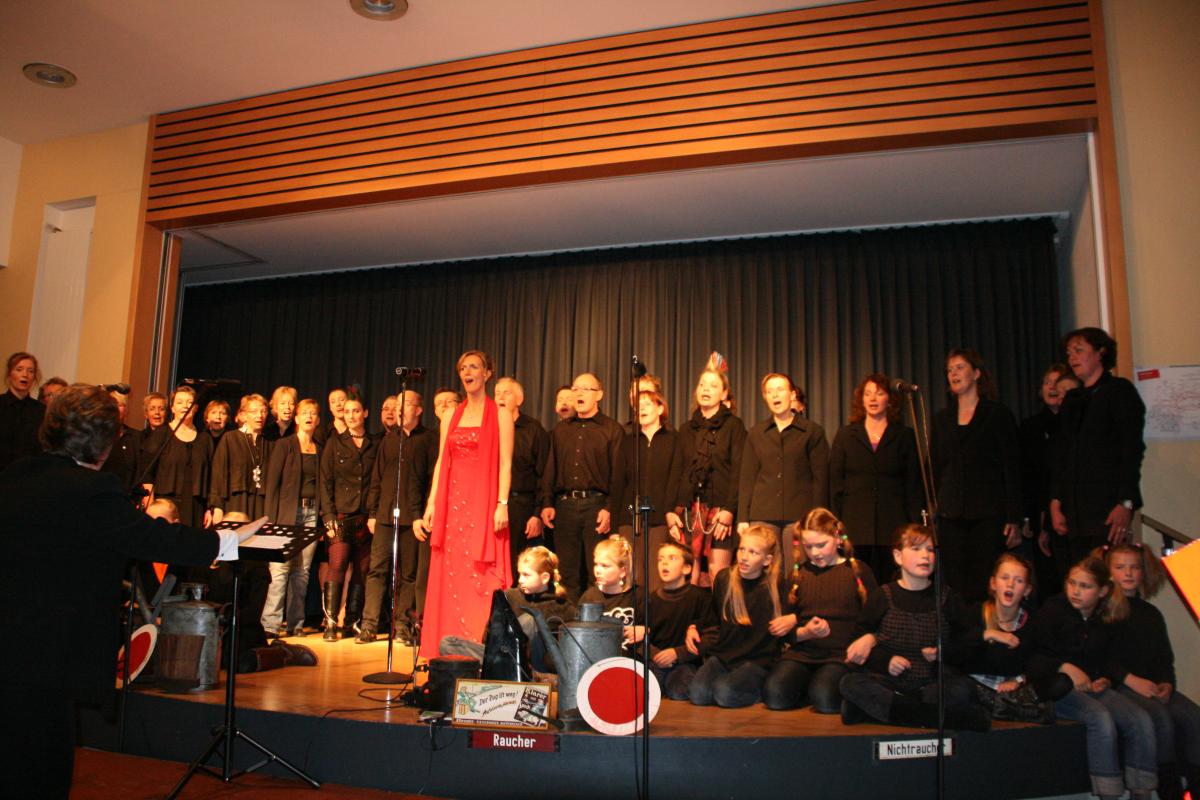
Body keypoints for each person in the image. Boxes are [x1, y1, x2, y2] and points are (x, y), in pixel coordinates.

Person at [0, 384, 262, 798]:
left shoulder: (15, 475)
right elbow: (155, 538)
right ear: (105, 443)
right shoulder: (92, 491)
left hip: (10, 643)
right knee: (42, 765)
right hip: (50, 653)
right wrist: (226, 540)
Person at [1025, 556, 1157, 800]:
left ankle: (1142, 790)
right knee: (1100, 718)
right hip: (1057, 689)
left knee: (1140, 719)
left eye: (1085, 586)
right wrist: (1064, 667)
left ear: (1102, 591)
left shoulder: (1104, 618)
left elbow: (1106, 659)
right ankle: (1109, 792)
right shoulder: (1052, 611)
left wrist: (1105, 679)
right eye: (1072, 583)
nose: (1075, 591)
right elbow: (1031, 658)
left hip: (1093, 687)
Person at [839, 523, 988, 730]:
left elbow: (967, 643)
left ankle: (890, 711)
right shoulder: (882, 596)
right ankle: (938, 717)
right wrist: (886, 661)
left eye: (930, 550)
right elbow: (856, 646)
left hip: (931, 684)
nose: (925, 556)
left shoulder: (947, 597)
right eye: (916, 549)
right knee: (850, 682)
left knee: (963, 688)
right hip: (890, 682)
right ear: (898, 556)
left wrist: (942, 652)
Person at [413, 350, 514, 653]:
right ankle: (447, 645)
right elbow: (442, 460)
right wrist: (432, 504)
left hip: (484, 504)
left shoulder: (501, 414)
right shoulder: (450, 415)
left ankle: (478, 645)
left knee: (480, 576)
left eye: (474, 367)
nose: (468, 372)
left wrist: (502, 503)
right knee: (452, 575)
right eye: (463, 368)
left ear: (487, 373)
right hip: (453, 505)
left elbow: (506, 463)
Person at [1105, 544, 1200, 799]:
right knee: (1160, 719)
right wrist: (1131, 680)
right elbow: (1102, 658)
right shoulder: (1105, 612)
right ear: (1109, 572)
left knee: (1194, 718)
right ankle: (1169, 788)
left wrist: (1167, 683)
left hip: (1155, 685)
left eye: (1134, 567)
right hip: (1123, 685)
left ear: (1143, 572)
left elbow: (1164, 658)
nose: (1128, 573)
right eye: (1120, 567)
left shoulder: (1151, 613)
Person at [763, 508, 878, 713]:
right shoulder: (798, 576)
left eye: (821, 545)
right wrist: (806, 632)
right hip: (804, 653)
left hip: (841, 655)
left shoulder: (858, 571)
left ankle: (822, 688)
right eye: (808, 547)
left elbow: (877, 618)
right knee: (774, 694)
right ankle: (810, 687)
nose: (815, 553)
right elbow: (787, 632)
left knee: (825, 698)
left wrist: (869, 639)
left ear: (838, 538)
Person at [930, 349, 1021, 603]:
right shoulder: (941, 419)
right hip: (951, 514)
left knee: (985, 578)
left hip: (988, 513)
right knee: (954, 581)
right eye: (950, 370)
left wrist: (1014, 516)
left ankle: (985, 625)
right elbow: (935, 466)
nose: (953, 374)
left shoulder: (997, 414)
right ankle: (958, 627)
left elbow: (1012, 467)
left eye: (959, 367)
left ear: (977, 373)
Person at [1051, 327, 1147, 567]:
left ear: (1100, 352)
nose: (1072, 358)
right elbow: (1062, 456)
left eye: (1079, 350)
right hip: (1075, 510)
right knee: (1080, 575)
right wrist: (1056, 500)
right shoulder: (1072, 399)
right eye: (1069, 353)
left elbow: (1131, 450)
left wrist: (1125, 502)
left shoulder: (1119, 391)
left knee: (1107, 573)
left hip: (1107, 506)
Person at [538, 373, 624, 600]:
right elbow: (551, 468)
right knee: (567, 573)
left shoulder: (612, 429)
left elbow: (618, 476)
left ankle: (594, 619)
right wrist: (547, 502)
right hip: (565, 506)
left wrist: (609, 508)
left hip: (596, 506)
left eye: (586, 389)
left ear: (599, 395)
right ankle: (569, 619)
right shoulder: (561, 430)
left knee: (597, 570)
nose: (579, 393)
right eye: (576, 389)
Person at [829, 374, 923, 581]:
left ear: (889, 400)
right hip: (855, 524)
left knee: (890, 582)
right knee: (856, 582)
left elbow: (913, 484)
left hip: (893, 523)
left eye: (879, 393)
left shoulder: (904, 435)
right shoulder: (846, 435)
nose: (872, 398)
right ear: (861, 400)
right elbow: (835, 483)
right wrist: (836, 521)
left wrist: (914, 523)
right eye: (868, 394)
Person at [359, 389, 434, 643]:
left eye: (407, 404)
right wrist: (372, 512)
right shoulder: (390, 440)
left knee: (409, 574)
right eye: (398, 404)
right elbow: (377, 478)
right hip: (384, 515)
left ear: (419, 410)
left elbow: (430, 481)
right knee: (377, 570)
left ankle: (402, 624)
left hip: (412, 519)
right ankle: (369, 625)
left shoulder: (428, 440)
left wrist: (423, 513)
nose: (400, 409)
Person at [685, 523, 787, 708]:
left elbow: (788, 620)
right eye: (741, 549)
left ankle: (758, 689)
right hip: (725, 655)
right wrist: (694, 627)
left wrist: (792, 620)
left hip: (757, 660)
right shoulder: (724, 578)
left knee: (725, 693)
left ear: (767, 560)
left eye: (753, 552)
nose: (744, 557)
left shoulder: (775, 585)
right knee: (698, 693)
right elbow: (712, 616)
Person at [739, 373, 829, 575]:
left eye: (780, 390)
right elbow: (747, 478)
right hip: (763, 513)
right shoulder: (756, 433)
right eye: (769, 391)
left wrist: (817, 518)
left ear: (792, 394)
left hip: (799, 514)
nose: (775, 395)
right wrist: (743, 518)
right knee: (766, 573)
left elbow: (820, 479)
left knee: (796, 571)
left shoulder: (812, 432)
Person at [440, 545, 578, 674]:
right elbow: (488, 637)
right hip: (503, 654)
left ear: (545, 578)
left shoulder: (562, 606)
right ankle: (499, 665)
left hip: (533, 665)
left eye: (526, 575)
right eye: (520, 574)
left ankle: (502, 667)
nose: (521, 580)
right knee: (448, 643)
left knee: (530, 619)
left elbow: (569, 652)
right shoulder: (510, 596)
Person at [962, 553, 1063, 723]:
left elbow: (1044, 659)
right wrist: (987, 634)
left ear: (1027, 590)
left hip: (1014, 690)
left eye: (1019, 581)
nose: (1010, 584)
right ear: (993, 583)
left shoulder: (1034, 622)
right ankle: (1012, 709)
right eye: (1005, 578)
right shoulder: (974, 613)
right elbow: (957, 650)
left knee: (1061, 682)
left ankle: (1003, 707)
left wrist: (1019, 680)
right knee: (955, 688)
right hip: (977, 685)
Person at [615, 389, 687, 593]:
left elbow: (676, 478)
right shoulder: (628, 441)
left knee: (656, 575)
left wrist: (669, 511)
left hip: (659, 518)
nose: (642, 409)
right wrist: (614, 526)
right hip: (630, 517)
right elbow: (618, 483)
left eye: (647, 404)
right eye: (638, 406)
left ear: (660, 409)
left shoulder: (673, 440)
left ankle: (653, 613)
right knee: (631, 573)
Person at [319, 394, 379, 640]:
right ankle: (331, 622)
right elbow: (325, 481)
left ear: (365, 413)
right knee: (338, 563)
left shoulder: (374, 444)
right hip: (341, 515)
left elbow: (377, 482)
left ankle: (353, 620)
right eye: (347, 411)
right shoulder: (334, 443)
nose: (351, 416)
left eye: (356, 411)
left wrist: (374, 513)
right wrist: (328, 516)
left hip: (366, 516)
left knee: (362, 569)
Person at [680, 366, 747, 585]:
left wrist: (729, 510)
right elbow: (681, 471)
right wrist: (676, 509)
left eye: (713, 385)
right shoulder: (687, 429)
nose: (706, 389)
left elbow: (739, 471)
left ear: (724, 394)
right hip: (693, 510)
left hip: (721, 510)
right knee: (690, 573)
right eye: (702, 385)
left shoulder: (734, 426)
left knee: (718, 573)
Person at [262, 398, 323, 639]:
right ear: (296, 418)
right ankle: (270, 623)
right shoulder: (284, 445)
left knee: (302, 572)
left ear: (317, 420)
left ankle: (295, 623)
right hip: (286, 514)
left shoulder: (319, 448)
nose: (308, 416)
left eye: (313, 413)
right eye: (304, 412)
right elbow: (272, 483)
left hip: (310, 514)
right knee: (279, 570)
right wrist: (270, 519)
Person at [1019, 363, 1077, 596]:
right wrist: (1028, 517)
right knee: (1048, 577)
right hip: (1039, 509)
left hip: (1071, 508)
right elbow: (1025, 475)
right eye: (1047, 382)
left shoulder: (1075, 426)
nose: (1052, 388)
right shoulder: (1030, 427)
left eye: (1057, 382)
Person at [495, 377, 550, 582]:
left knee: (517, 563)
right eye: (497, 393)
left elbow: (543, 475)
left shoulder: (533, 430)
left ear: (519, 399)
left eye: (506, 393)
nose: (500, 397)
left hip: (522, 506)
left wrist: (537, 514)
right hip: (492, 505)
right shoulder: (489, 427)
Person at [647, 541, 714, 700]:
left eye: (672, 558)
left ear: (686, 568)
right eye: (660, 559)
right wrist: (655, 654)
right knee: (644, 691)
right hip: (656, 660)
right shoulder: (650, 599)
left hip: (686, 661)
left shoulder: (700, 597)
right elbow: (640, 635)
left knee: (679, 690)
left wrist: (678, 653)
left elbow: (711, 636)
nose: (664, 563)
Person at [141, 385, 213, 529]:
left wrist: (209, 508)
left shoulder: (205, 438)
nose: (185, 406)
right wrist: (150, 505)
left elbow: (211, 476)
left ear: (196, 408)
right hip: (165, 505)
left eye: (189, 402)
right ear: (172, 408)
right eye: (180, 402)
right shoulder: (161, 434)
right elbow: (147, 474)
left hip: (195, 506)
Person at [579, 536, 645, 638]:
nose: (597, 570)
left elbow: (658, 630)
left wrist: (645, 630)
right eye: (596, 564)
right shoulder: (589, 597)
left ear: (623, 571)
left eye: (605, 566)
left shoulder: (639, 596)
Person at [0, 351, 45, 470]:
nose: (25, 374)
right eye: (19, 369)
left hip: (29, 474)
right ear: (10, 374)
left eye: (31, 371)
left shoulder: (41, 410)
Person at [100, 387, 144, 499]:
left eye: (120, 405)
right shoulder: (98, 436)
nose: (116, 409)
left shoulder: (135, 437)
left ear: (126, 409)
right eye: (112, 405)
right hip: (101, 496)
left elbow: (139, 473)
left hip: (128, 499)